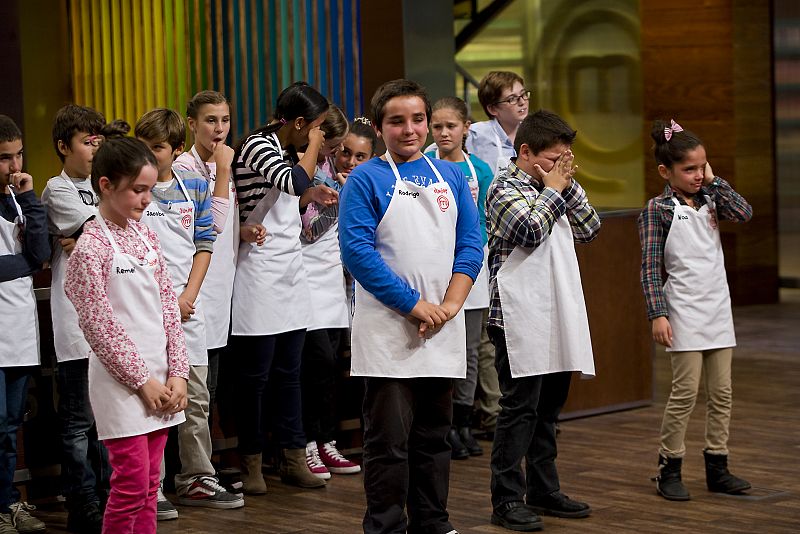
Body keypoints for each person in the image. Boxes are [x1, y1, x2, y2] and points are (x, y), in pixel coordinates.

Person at [339, 79, 483, 534]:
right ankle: (385, 527)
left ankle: (433, 522)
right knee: (388, 442)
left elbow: (472, 242)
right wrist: (415, 305)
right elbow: (357, 253)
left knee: (434, 438)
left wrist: (451, 304)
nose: (410, 130)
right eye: (397, 121)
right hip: (389, 332)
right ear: (380, 127)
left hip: (441, 327)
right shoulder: (365, 179)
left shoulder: (452, 177)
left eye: (418, 119)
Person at [65, 136, 189, 534]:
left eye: (149, 189)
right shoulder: (90, 248)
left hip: (161, 378)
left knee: (151, 485)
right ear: (105, 185)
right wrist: (141, 381)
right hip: (122, 384)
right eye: (137, 189)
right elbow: (100, 327)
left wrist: (178, 372)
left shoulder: (146, 236)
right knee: (131, 486)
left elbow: (169, 307)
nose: (146, 199)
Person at [485, 110, 599, 531]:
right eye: (553, 159)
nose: (560, 167)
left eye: (565, 159)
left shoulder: (558, 184)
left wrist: (563, 185)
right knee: (519, 409)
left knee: (549, 409)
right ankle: (506, 499)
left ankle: (544, 490)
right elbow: (530, 231)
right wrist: (553, 189)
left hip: (556, 310)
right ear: (526, 152)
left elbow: (590, 228)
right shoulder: (503, 187)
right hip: (515, 316)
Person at [230, 81, 337, 494]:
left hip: (290, 269)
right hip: (257, 270)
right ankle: (251, 462)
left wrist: (312, 193)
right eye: (318, 127)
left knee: (290, 373)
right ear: (299, 123)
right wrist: (313, 149)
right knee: (255, 378)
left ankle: (292, 457)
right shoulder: (258, 145)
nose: (320, 135)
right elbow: (291, 181)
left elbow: (294, 191)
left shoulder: (289, 149)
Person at [135, 109, 243, 515]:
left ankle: (196, 478)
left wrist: (188, 295)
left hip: (186, 311)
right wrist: (163, 302)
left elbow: (204, 243)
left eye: (156, 148)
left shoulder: (195, 186)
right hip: (147, 312)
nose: (148, 155)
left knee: (195, 397)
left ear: (176, 149)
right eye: (143, 146)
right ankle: (152, 488)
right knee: (152, 402)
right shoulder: (134, 192)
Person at [639, 119, 752, 501]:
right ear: (665, 171)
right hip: (683, 311)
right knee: (685, 393)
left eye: (702, 166)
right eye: (689, 169)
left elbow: (744, 212)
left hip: (717, 308)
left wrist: (713, 180)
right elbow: (650, 268)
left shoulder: (712, 199)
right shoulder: (657, 210)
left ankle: (718, 466)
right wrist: (658, 314)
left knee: (722, 393)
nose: (698, 175)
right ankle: (668, 467)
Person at [42, 104, 117, 534]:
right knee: (77, 421)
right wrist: (96, 229)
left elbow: (123, 226)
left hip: (109, 322)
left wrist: (95, 231)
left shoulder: (105, 184)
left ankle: (109, 497)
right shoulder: (57, 189)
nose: (94, 149)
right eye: (86, 142)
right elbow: (103, 227)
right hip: (75, 324)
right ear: (63, 146)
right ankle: (82, 502)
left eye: (98, 141)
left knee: (106, 418)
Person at [425, 96, 494, 459]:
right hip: (434, 264)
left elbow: (483, 218)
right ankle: (443, 424)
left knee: (469, 350)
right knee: (439, 345)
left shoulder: (479, 169)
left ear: (466, 128)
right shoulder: (422, 164)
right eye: (437, 126)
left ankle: (464, 422)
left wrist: (469, 250)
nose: (443, 133)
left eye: (451, 126)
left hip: (470, 266)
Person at [299, 105, 362, 480]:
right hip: (305, 279)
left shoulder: (333, 173)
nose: (337, 154)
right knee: (315, 364)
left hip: (334, 283)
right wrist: (340, 196)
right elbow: (309, 230)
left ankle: (328, 440)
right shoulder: (306, 171)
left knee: (334, 367)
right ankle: (307, 442)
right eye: (336, 148)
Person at [173, 90, 238, 437]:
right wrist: (224, 170)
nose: (219, 128)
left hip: (222, 288)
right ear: (192, 124)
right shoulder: (184, 168)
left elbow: (228, 226)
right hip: (195, 290)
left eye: (225, 120)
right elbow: (213, 225)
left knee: (211, 391)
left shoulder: (223, 161)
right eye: (211, 120)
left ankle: (206, 461)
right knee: (196, 391)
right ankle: (186, 465)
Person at [0, 114, 49, 534]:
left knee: (11, 425)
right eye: (4, 158)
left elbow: (40, 254)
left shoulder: (20, 200)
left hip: (18, 326)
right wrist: (22, 264)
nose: (14, 166)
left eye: (18, 155)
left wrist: (31, 198)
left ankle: (8, 504)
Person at [466, 71, 529, 177]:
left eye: (523, 94)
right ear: (493, 109)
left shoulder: (535, 131)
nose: (522, 102)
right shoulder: (474, 135)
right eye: (512, 99)